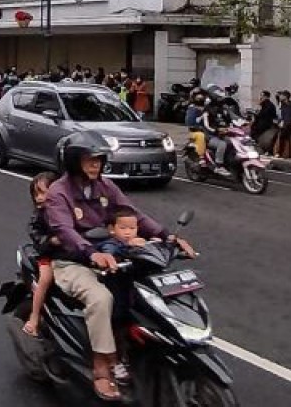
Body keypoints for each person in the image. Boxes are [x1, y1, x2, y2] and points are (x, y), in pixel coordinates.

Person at [43, 132, 194, 402]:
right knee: (101, 299)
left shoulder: (106, 186)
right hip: (72, 261)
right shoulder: (59, 192)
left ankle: (137, 347)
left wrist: (168, 236)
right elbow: (63, 230)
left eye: (99, 160)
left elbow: (132, 215)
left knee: (146, 288)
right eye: (89, 160)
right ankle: (102, 367)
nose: (96, 165)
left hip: (110, 254)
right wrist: (90, 253)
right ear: (74, 161)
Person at [21, 171, 61, 338]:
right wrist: (50, 241)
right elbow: (36, 235)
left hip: (67, 253)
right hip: (46, 254)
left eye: (43, 192)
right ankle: (34, 317)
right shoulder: (39, 216)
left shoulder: (66, 210)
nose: (39, 198)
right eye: (36, 194)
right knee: (45, 279)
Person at [274, 91, 291, 159]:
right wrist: (281, 122)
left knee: (283, 135)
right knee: (277, 134)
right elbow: (283, 116)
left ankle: (280, 153)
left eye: (282, 96)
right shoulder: (283, 105)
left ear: (286, 97)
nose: (280, 97)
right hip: (285, 123)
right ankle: (279, 152)